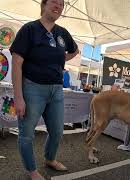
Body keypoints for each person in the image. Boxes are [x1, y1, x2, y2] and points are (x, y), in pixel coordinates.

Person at [10, 0, 79, 179]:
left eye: (61, 4)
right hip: (32, 88)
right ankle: (31, 170)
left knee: (57, 131)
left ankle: (50, 159)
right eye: (54, 2)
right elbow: (16, 63)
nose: (58, 6)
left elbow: (75, 50)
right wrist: (18, 97)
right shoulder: (29, 29)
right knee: (26, 134)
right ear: (44, 5)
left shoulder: (62, 33)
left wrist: (60, 59)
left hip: (56, 89)